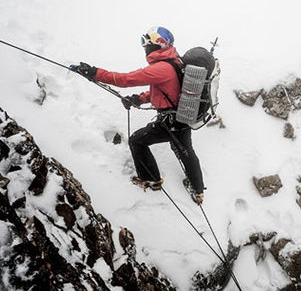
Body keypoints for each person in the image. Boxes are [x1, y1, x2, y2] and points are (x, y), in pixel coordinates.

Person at [71, 27, 204, 203]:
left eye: (145, 43)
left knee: (137, 141)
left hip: (171, 121)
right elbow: (167, 91)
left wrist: (94, 73)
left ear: (157, 46)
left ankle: (151, 180)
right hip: (183, 116)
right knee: (186, 151)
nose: (144, 47)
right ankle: (198, 190)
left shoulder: (161, 69)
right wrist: (139, 99)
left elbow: (125, 79)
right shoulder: (175, 62)